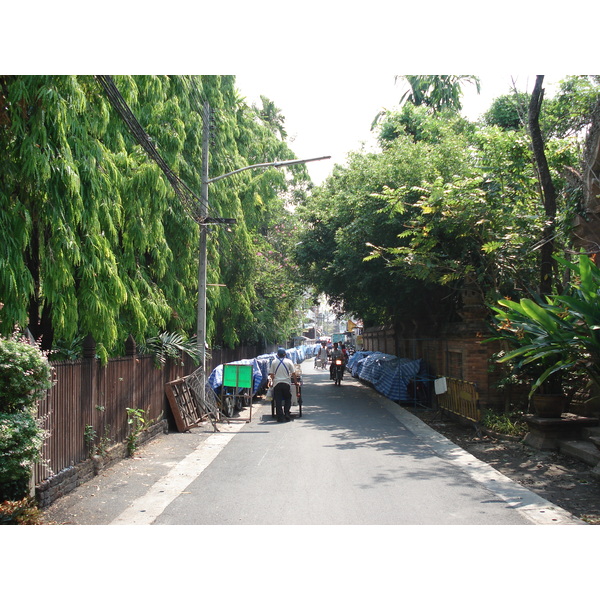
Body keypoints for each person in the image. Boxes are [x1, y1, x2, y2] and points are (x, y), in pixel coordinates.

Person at [268, 347, 295, 422]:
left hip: (277, 384)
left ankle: (280, 416)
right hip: (286, 383)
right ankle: (286, 413)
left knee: (278, 400)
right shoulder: (289, 361)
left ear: (277, 355)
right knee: (288, 398)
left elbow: (272, 374)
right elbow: (293, 373)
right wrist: (295, 382)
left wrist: (272, 382)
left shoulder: (274, 362)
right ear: (285, 354)